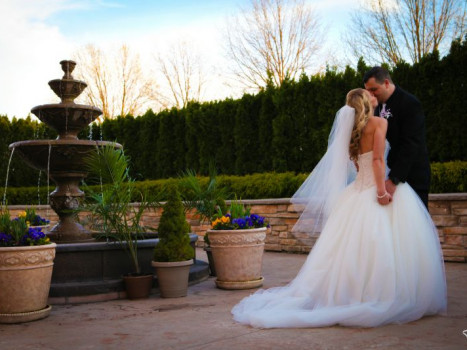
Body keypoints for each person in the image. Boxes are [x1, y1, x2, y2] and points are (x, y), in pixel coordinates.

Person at [231, 89, 446, 328]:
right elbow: (377, 160)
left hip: (355, 191)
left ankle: (346, 292)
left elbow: (355, 164)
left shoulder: (350, 130)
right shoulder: (379, 123)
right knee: (382, 245)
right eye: (369, 94)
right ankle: (379, 294)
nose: (374, 97)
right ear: (366, 102)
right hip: (374, 188)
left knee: (350, 249)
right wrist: (381, 191)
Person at [363, 67, 431, 208]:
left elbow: (411, 144)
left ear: (386, 83)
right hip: (385, 176)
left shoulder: (410, 103)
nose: (371, 95)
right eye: (368, 91)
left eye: (374, 89)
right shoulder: (376, 107)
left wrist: (394, 179)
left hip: (410, 176)